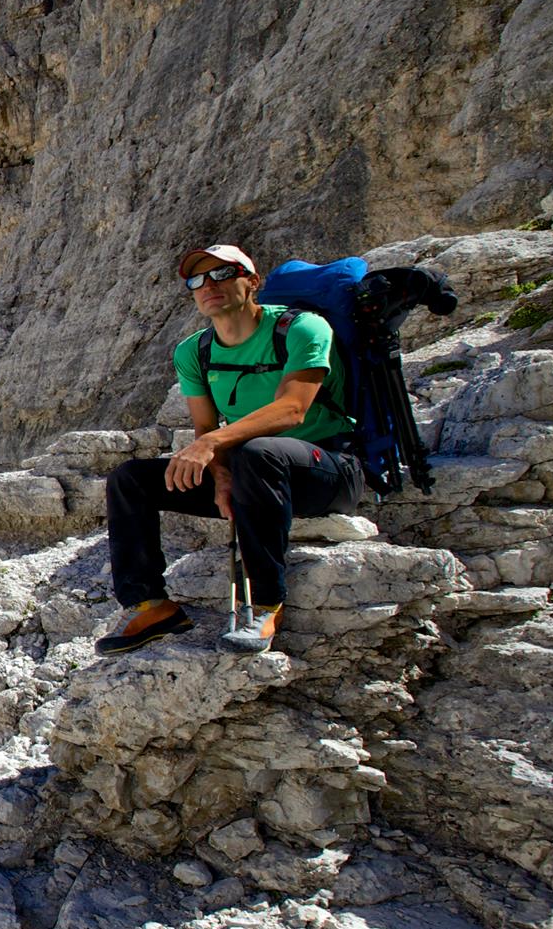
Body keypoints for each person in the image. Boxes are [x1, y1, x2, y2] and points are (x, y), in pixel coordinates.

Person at [97, 243, 365, 654]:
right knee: (130, 479)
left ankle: (265, 604)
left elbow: (293, 409)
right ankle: (150, 605)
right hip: (250, 473)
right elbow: (206, 425)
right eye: (197, 280)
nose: (209, 286)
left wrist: (213, 445)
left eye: (223, 274)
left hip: (326, 468)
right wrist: (220, 473)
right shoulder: (194, 352)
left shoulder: (302, 329)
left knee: (258, 452)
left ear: (252, 282)